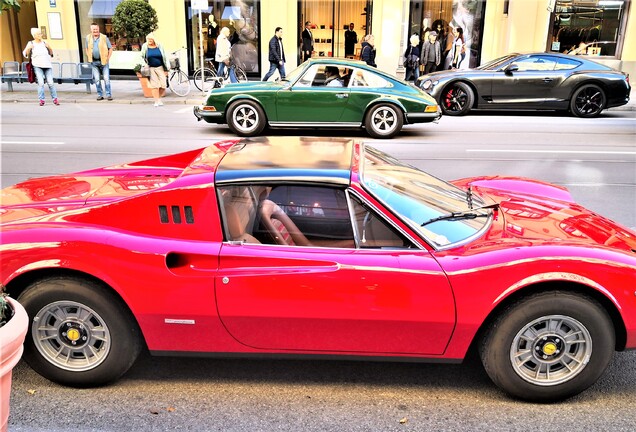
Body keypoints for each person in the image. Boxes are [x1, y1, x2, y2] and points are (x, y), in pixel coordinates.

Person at [22, 27, 58, 106]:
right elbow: (25, 54)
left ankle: (55, 99)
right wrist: (28, 48)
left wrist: (49, 47)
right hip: (37, 66)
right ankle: (41, 99)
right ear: (34, 35)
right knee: (41, 83)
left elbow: (51, 54)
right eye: (38, 34)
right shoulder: (31, 43)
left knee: (51, 83)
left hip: (47, 65)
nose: (40, 35)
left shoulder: (45, 42)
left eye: (40, 33)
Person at [140, 33, 170, 107]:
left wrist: (166, 67)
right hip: (151, 68)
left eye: (151, 39)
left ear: (154, 39)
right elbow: (141, 56)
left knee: (164, 85)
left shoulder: (159, 46)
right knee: (154, 86)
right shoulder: (145, 46)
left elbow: (164, 56)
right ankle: (156, 101)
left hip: (160, 67)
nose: (149, 40)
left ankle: (158, 98)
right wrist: (144, 64)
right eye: (148, 39)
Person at [85, 22, 113, 101]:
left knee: (106, 78)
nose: (95, 31)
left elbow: (110, 48)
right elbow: (86, 48)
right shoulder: (88, 38)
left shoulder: (104, 37)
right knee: (97, 79)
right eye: (94, 29)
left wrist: (108, 58)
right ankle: (100, 94)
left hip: (104, 61)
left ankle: (108, 95)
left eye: (96, 29)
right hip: (94, 62)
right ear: (91, 30)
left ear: (98, 29)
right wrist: (88, 55)